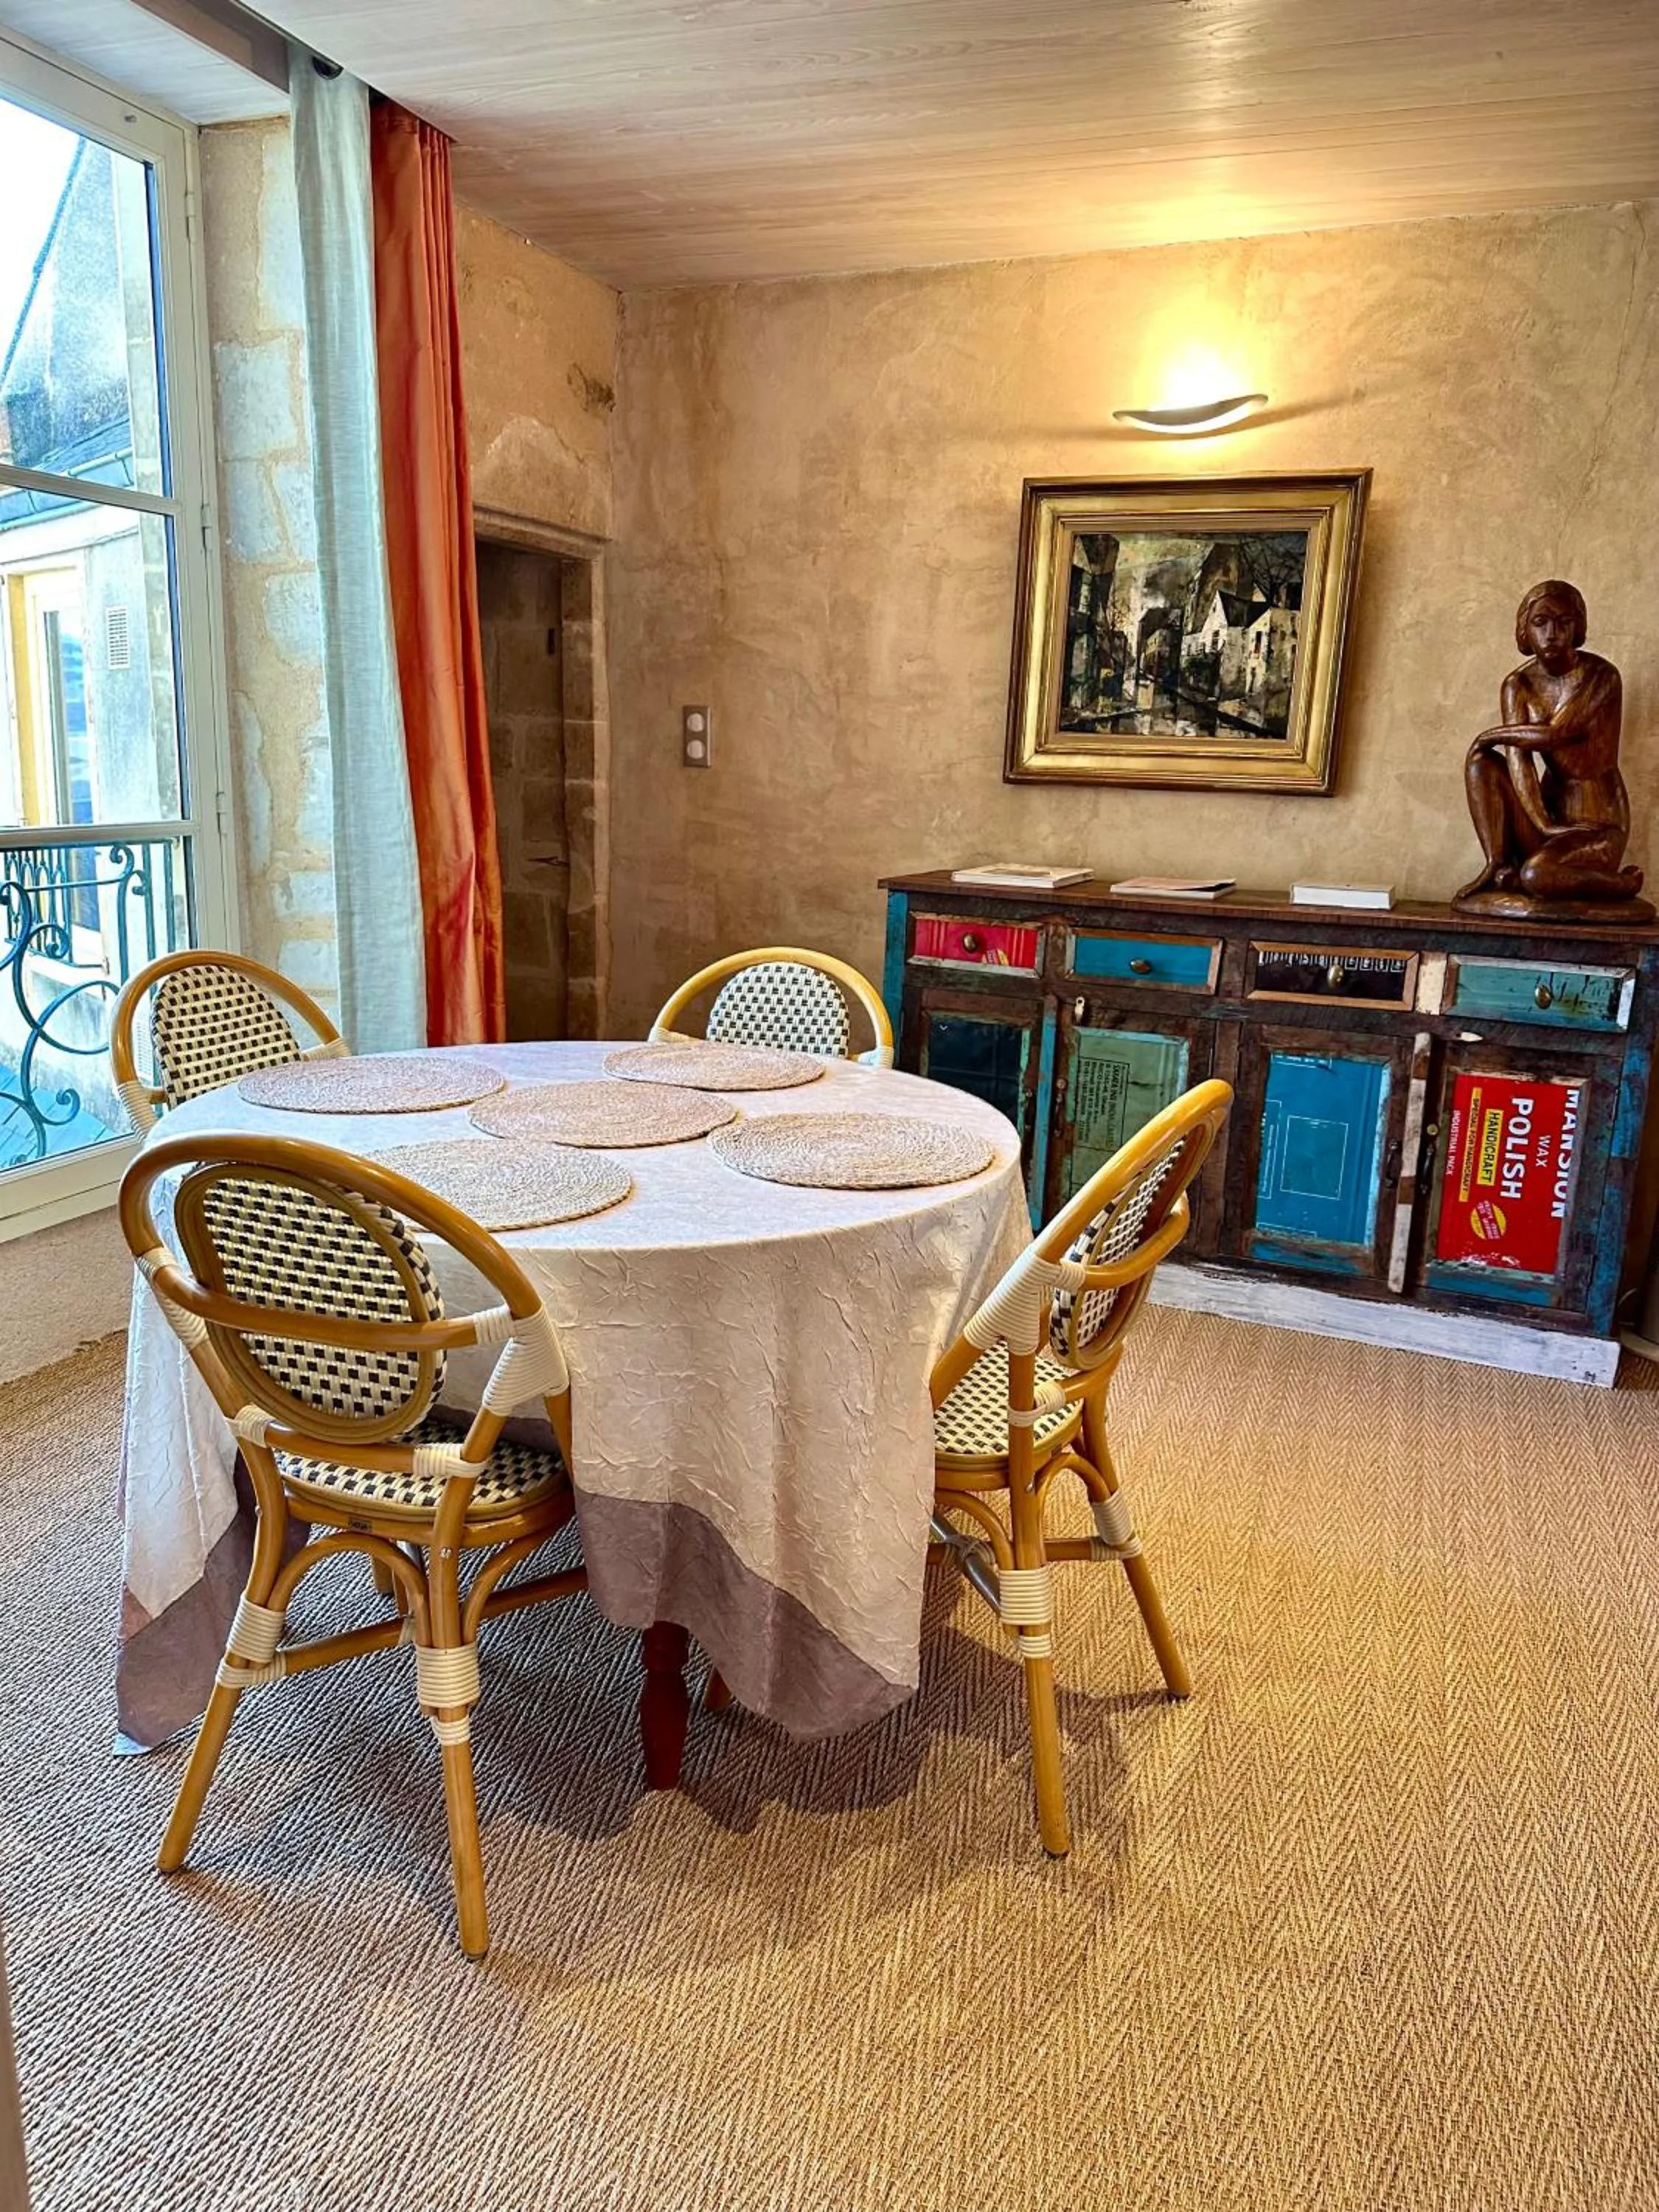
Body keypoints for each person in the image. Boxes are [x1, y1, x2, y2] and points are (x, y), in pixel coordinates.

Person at [1455, 579, 1647, 912]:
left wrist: (1490, 736)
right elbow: (1519, 763)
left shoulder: (1601, 676)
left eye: (1564, 621)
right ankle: (1496, 863)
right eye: (1540, 622)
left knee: (1537, 875)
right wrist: (1542, 823)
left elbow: (1558, 733)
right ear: (1524, 631)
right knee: (1481, 762)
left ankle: (1619, 884)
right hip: (1548, 820)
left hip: (1596, 828)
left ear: (1578, 627)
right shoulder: (1518, 684)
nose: (1552, 633)